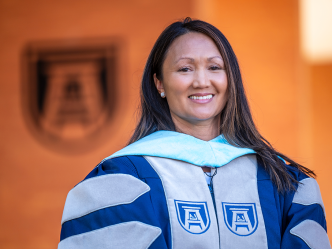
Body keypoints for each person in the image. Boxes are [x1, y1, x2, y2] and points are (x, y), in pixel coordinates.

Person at [58, 18, 330, 249]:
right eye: (185, 69)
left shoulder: (286, 183)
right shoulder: (120, 181)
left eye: (214, 67)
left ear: (230, 79)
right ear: (159, 82)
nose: (201, 81)